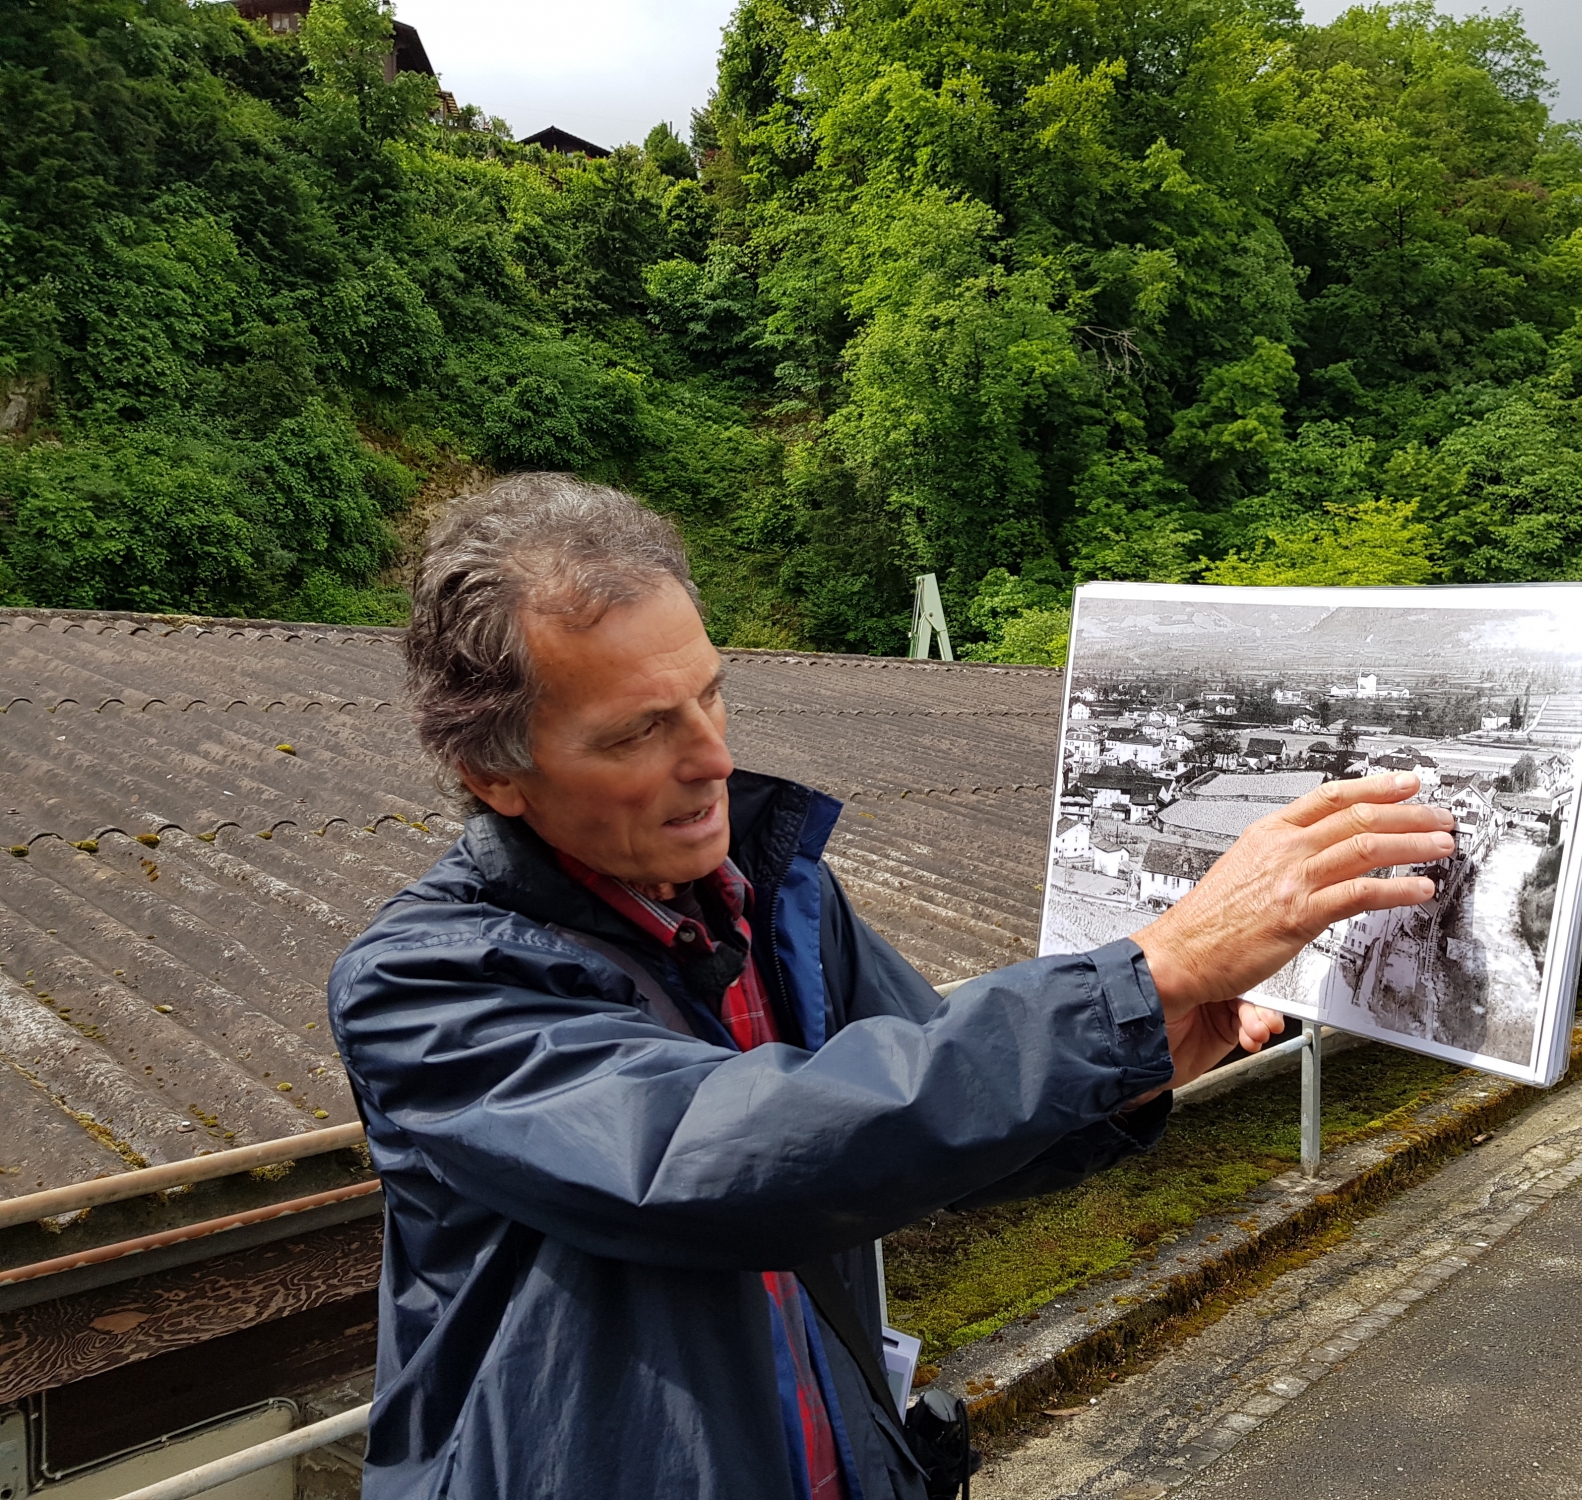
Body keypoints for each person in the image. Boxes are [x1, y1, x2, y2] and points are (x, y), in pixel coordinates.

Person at [329, 473, 1456, 1500]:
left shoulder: (777, 900)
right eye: (639, 732)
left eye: (712, 697)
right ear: (495, 773)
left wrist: (1128, 1069)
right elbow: (721, 1158)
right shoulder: (426, 986)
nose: (713, 757)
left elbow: (916, 1123)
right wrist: (1143, 976)